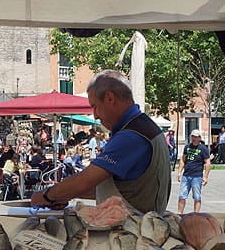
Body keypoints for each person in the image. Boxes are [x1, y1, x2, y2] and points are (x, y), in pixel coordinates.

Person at [30, 70, 171, 213]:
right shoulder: (144, 126)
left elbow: (85, 180)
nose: (95, 116)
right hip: (139, 225)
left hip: (130, 230)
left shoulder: (130, 136)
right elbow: (120, 189)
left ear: (110, 98)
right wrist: (61, 195)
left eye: (95, 107)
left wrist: (45, 196)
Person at [177, 129, 211, 213]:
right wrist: (179, 172)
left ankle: (196, 214)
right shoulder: (187, 147)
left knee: (197, 197)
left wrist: (205, 177)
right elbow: (183, 160)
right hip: (186, 175)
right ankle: (180, 213)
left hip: (197, 176)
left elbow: (207, 163)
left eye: (196, 137)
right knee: (182, 196)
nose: (194, 139)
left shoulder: (203, 148)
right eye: (192, 137)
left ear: (199, 138)